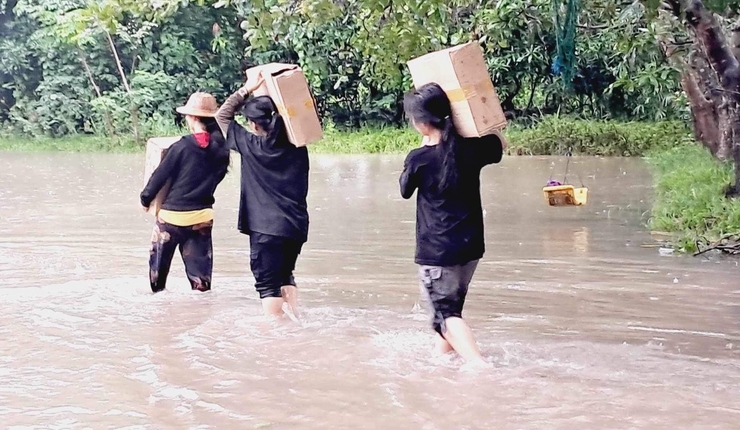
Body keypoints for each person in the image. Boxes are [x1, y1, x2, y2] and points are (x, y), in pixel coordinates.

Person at [399, 83, 505, 366]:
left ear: (421, 123)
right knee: (452, 309)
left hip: (438, 251)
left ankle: (479, 366)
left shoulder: (419, 159)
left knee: (444, 317)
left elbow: (404, 189)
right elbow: (499, 144)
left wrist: (420, 151)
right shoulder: (471, 148)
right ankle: (442, 364)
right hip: (470, 248)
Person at [215, 74, 309, 320]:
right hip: (295, 227)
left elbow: (222, 116)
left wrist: (247, 88)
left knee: (268, 284)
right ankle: (295, 320)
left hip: (266, 230)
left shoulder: (252, 146)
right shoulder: (298, 147)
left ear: (254, 124)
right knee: (286, 274)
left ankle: (274, 336)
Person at [141, 92, 230, 293]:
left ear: (193, 117)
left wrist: (145, 199)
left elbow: (158, 177)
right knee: (201, 286)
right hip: (202, 218)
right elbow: (217, 177)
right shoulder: (222, 149)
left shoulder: (181, 146)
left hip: (172, 219)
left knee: (157, 281)